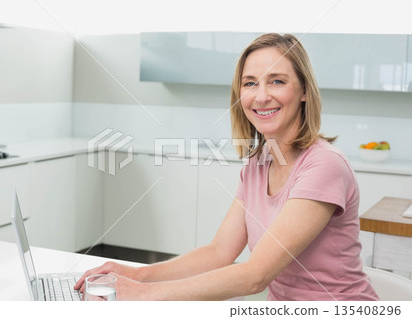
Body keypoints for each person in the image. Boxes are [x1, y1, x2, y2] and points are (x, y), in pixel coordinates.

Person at [74, 33, 379, 301]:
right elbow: (219, 252)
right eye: (250, 83)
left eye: (277, 81)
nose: (261, 96)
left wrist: (144, 295)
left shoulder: (323, 165)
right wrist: (138, 276)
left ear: (304, 92)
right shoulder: (259, 163)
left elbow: (255, 276)